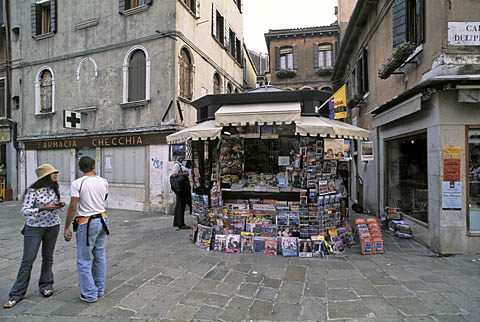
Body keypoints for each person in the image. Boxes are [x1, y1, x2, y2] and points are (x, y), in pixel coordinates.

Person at [3, 164, 66, 309]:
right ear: (45, 176)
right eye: (53, 173)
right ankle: (16, 294)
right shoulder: (33, 190)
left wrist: (59, 204)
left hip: (53, 225)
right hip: (34, 228)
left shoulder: (54, 188)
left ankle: (46, 285)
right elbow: (24, 211)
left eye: (56, 172)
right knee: (28, 260)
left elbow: (55, 205)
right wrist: (42, 208)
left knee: (48, 257)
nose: (56, 175)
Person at [64, 156, 109, 303]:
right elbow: (104, 197)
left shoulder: (77, 183)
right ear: (94, 166)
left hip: (87, 221)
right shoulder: (103, 181)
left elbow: (72, 207)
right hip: (103, 219)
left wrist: (66, 227)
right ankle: (100, 289)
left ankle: (89, 293)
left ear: (80, 168)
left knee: (84, 259)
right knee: (100, 256)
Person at [171, 155, 191, 230]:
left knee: (178, 205)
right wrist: (184, 174)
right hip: (180, 188)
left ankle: (176, 222)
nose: (182, 159)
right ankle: (181, 224)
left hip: (180, 188)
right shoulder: (177, 165)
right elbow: (174, 174)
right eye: (181, 157)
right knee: (181, 206)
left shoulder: (180, 165)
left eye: (183, 157)